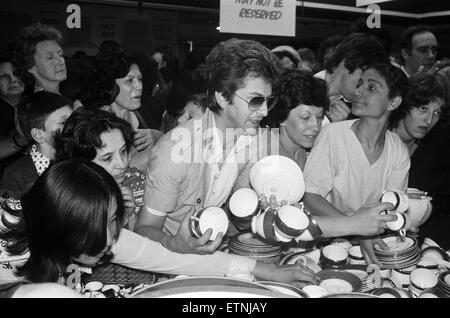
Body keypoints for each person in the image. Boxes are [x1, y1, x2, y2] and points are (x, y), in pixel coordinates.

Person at [136, 38, 396, 256]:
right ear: (222, 97)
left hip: (214, 255)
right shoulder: (176, 150)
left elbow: (242, 222)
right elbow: (143, 230)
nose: (263, 111)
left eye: (267, 101)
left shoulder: (250, 141)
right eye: (254, 100)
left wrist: (255, 210)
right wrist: (177, 244)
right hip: (168, 263)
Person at [0, 160, 318, 287]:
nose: (115, 237)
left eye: (115, 221)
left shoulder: (94, 233)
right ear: (65, 228)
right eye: (109, 225)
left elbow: (174, 259)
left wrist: (266, 271)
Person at [302, 63, 410, 265]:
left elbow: (392, 207)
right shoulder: (333, 135)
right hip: (327, 244)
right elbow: (310, 195)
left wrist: (368, 231)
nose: (357, 91)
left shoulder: (398, 151)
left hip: (370, 244)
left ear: (393, 102)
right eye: (359, 84)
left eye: (371, 87)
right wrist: (356, 227)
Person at [54, 108, 146, 231]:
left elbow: (143, 246)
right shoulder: (66, 199)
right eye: (107, 158)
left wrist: (130, 217)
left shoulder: (135, 182)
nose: (122, 164)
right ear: (82, 164)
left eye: (123, 151)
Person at [83, 52, 162, 171]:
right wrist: (162, 145)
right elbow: (115, 170)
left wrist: (157, 136)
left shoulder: (141, 112)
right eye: (130, 81)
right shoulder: (94, 124)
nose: (139, 86)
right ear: (110, 85)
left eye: (139, 79)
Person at [0, 91, 73, 198]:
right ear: (38, 135)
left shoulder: (78, 158)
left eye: (74, 120)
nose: (74, 125)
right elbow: (6, 213)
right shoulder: (16, 175)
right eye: (64, 122)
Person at [263, 69, 329, 170]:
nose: (316, 126)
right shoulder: (266, 157)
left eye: (320, 117)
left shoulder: (301, 149)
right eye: (305, 118)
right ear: (282, 118)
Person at [315, 33, 389, 123]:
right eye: (361, 82)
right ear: (346, 63)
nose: (362, 91)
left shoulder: (354, 112)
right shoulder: (299, 87)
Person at [389, 73, 449, 156]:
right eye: (423, 109)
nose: (429, 121)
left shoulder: (432, 152)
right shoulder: (376, 138)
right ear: (405, 104)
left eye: (437, 112)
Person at [13, 23, 67, 94]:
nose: (61, 61)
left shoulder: (57, 97)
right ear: (31, 67)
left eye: (60, 54)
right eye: (50, 58)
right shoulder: (43, 102)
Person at [0, 53, 30, 176]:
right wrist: (19, 140)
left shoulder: (35, 103)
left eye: (16, 73)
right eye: (4, 76)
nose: (13, 79)